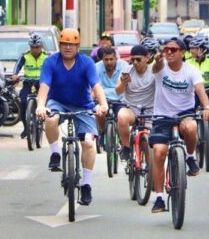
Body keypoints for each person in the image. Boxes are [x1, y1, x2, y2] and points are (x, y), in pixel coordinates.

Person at [35, 28, 108, 207]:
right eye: (64, 44)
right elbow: (44, 86)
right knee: (51, 119)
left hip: (83, 106)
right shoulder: (50, 61)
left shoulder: (87, 62)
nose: (68, 48)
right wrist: (40, 106)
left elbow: (96, 86)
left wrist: (103, 104)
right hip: (57, 102)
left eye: (72, 45)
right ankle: (54, 155)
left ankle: (86, 184)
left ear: (77, 46)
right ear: (59, 45)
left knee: (89, 143)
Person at [149, 37, 209, 213]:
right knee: (159, 152)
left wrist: (207, 106)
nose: (169, 52)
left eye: (173, 49)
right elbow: (154, 68)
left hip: (185, 114)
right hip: (162, 117)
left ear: (182, 53)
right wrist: (157, 60)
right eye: (167, 49)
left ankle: (190, 157)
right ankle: (159, 198)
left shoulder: (191, 71)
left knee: (191, 128)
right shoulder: (160, 67)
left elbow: (200, 90)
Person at [115, 41, 157, 161]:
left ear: (147, 58)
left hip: (150, 112)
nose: (135, 63)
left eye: (138, 59)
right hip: (132, 109)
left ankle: (151, 174)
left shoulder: (154, 71)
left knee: (150, 148)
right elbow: (118, 91)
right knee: (121, 116)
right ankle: (126, 147)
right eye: (132, 60)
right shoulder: (127, 70)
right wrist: (123, 82)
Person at [186, 35, 209, 151]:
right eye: (191, 48)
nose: (192, 51)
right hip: (193, 94)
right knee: (188, 116)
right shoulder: (187, 62)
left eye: (195, 48)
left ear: (202, 49)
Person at [12, 33, 48, 139]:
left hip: (42, 85)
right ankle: (26, 127)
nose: (35, 49)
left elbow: (53, 67)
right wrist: (15, 75)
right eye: (32, 47)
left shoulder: (47, 56)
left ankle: (44, 122)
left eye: (37, 47)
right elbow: (17, 66)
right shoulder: (25, 56)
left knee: (48, 103)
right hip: (28, 83)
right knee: (23, 103)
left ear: (41, 46)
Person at [95, 45, 128, 137]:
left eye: (111, 59)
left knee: (123, 117)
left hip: (120, 99)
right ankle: (102, 131)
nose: (109, 62)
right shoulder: (96, 67)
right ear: (102, 59)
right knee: (98, 113)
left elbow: (123, 86)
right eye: (106, 59)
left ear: (116, 58)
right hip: (103, 99)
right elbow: (94, 86)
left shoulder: (124, 66)